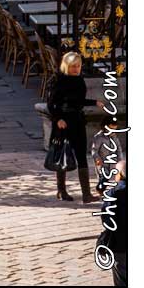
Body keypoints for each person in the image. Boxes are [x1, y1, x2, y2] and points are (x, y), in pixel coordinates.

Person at [47, 50, 95, 203]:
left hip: (78, 121)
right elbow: (51, 104)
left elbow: (78, 102)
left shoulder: (80, 80)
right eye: (73, 66)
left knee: (81, 154)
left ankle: (86, 194)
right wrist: (58, 119)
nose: (76, 69)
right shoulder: (60, 81)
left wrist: (95, 103)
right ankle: (61, 190)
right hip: (63, 122)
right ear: (67, 66)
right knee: (62, 155)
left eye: (79, 66)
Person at [98, 158, 127, 286]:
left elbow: (106, 217)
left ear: (119, 174)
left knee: (122, 277)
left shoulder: (114, 192)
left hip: (120, 242)